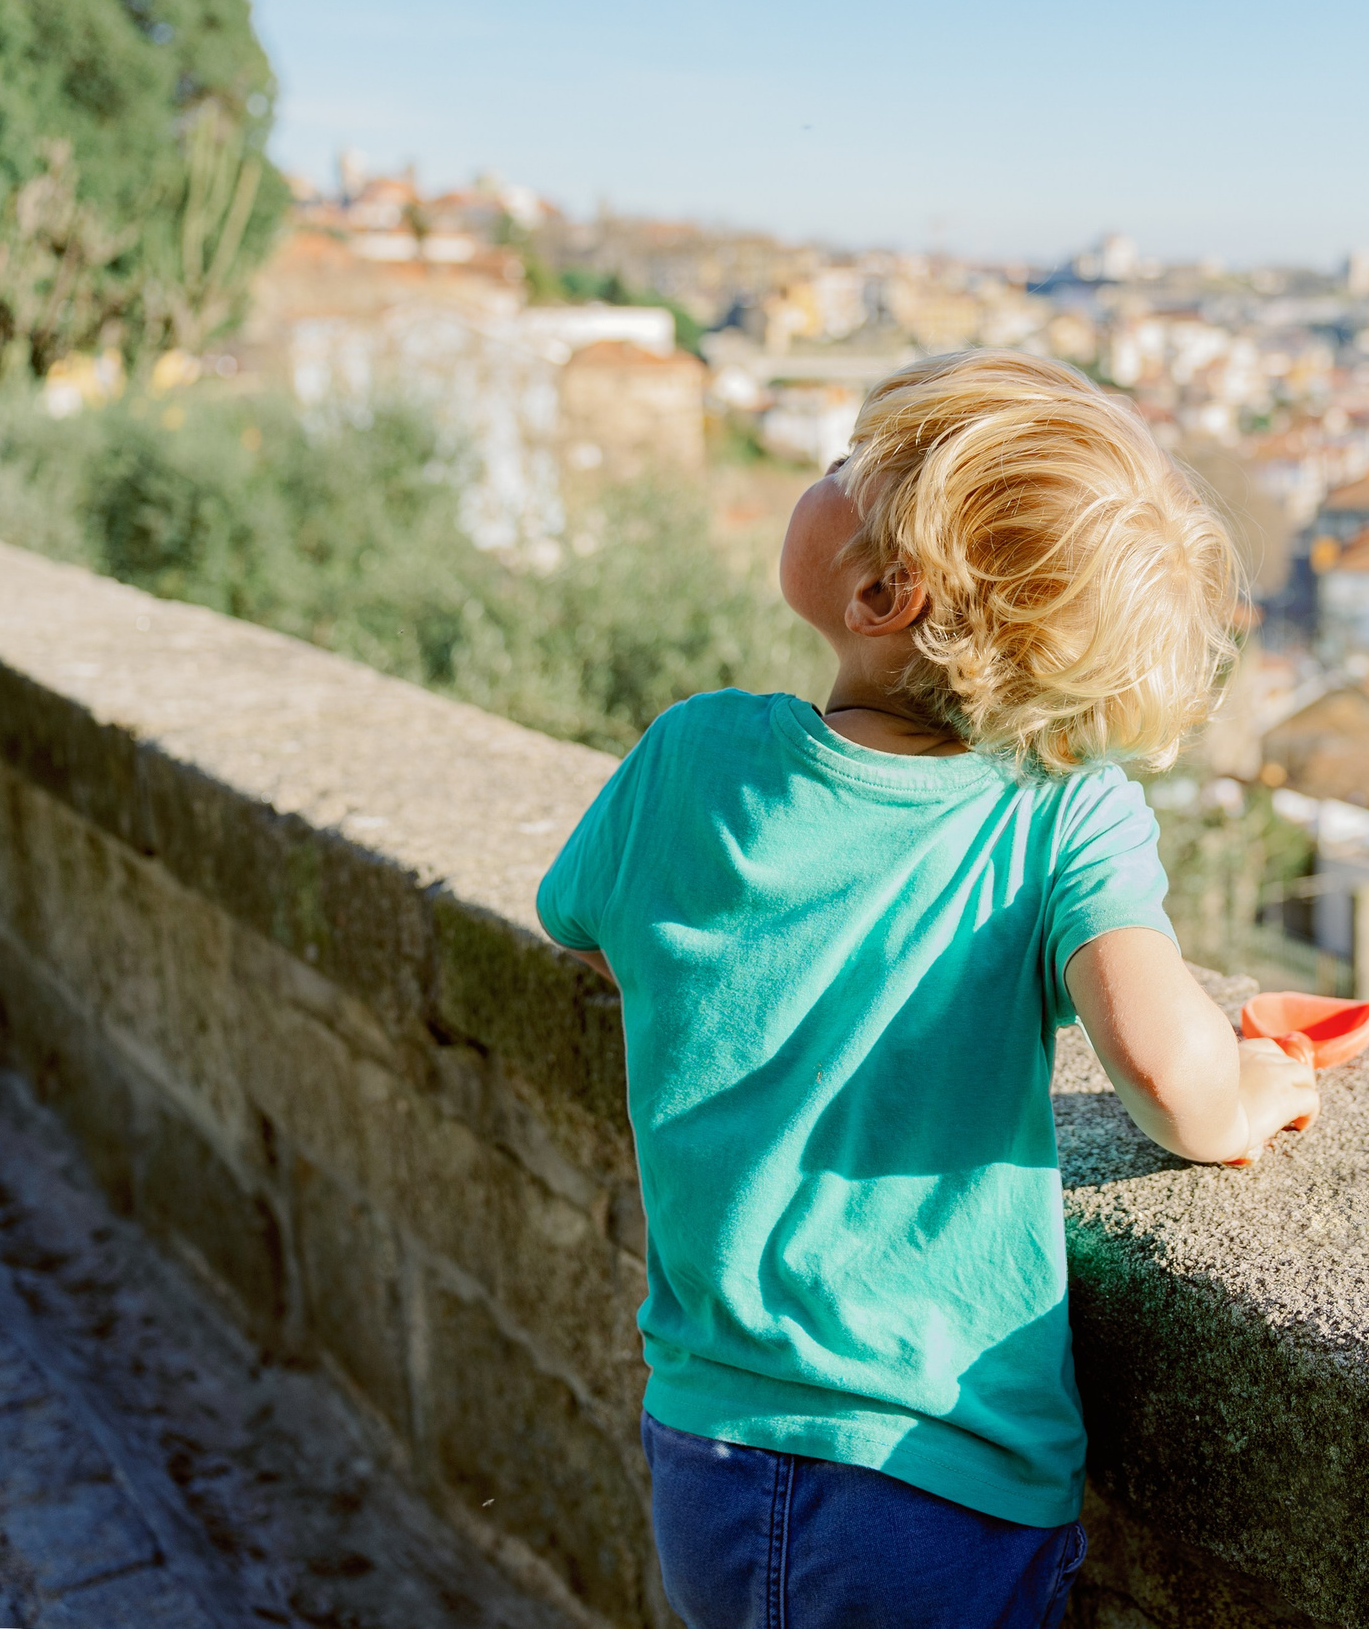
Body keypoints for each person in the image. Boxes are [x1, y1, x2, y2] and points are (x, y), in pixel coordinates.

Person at [535, 350, 1320, 1628]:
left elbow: (590, 929)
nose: (819, 471)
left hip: (707, 1453)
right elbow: (1181, 1091)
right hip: (939, 1477)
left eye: (847, 466)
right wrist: (1262, 1081)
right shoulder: (1065, 818)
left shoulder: (689, 755)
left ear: (886, 592)